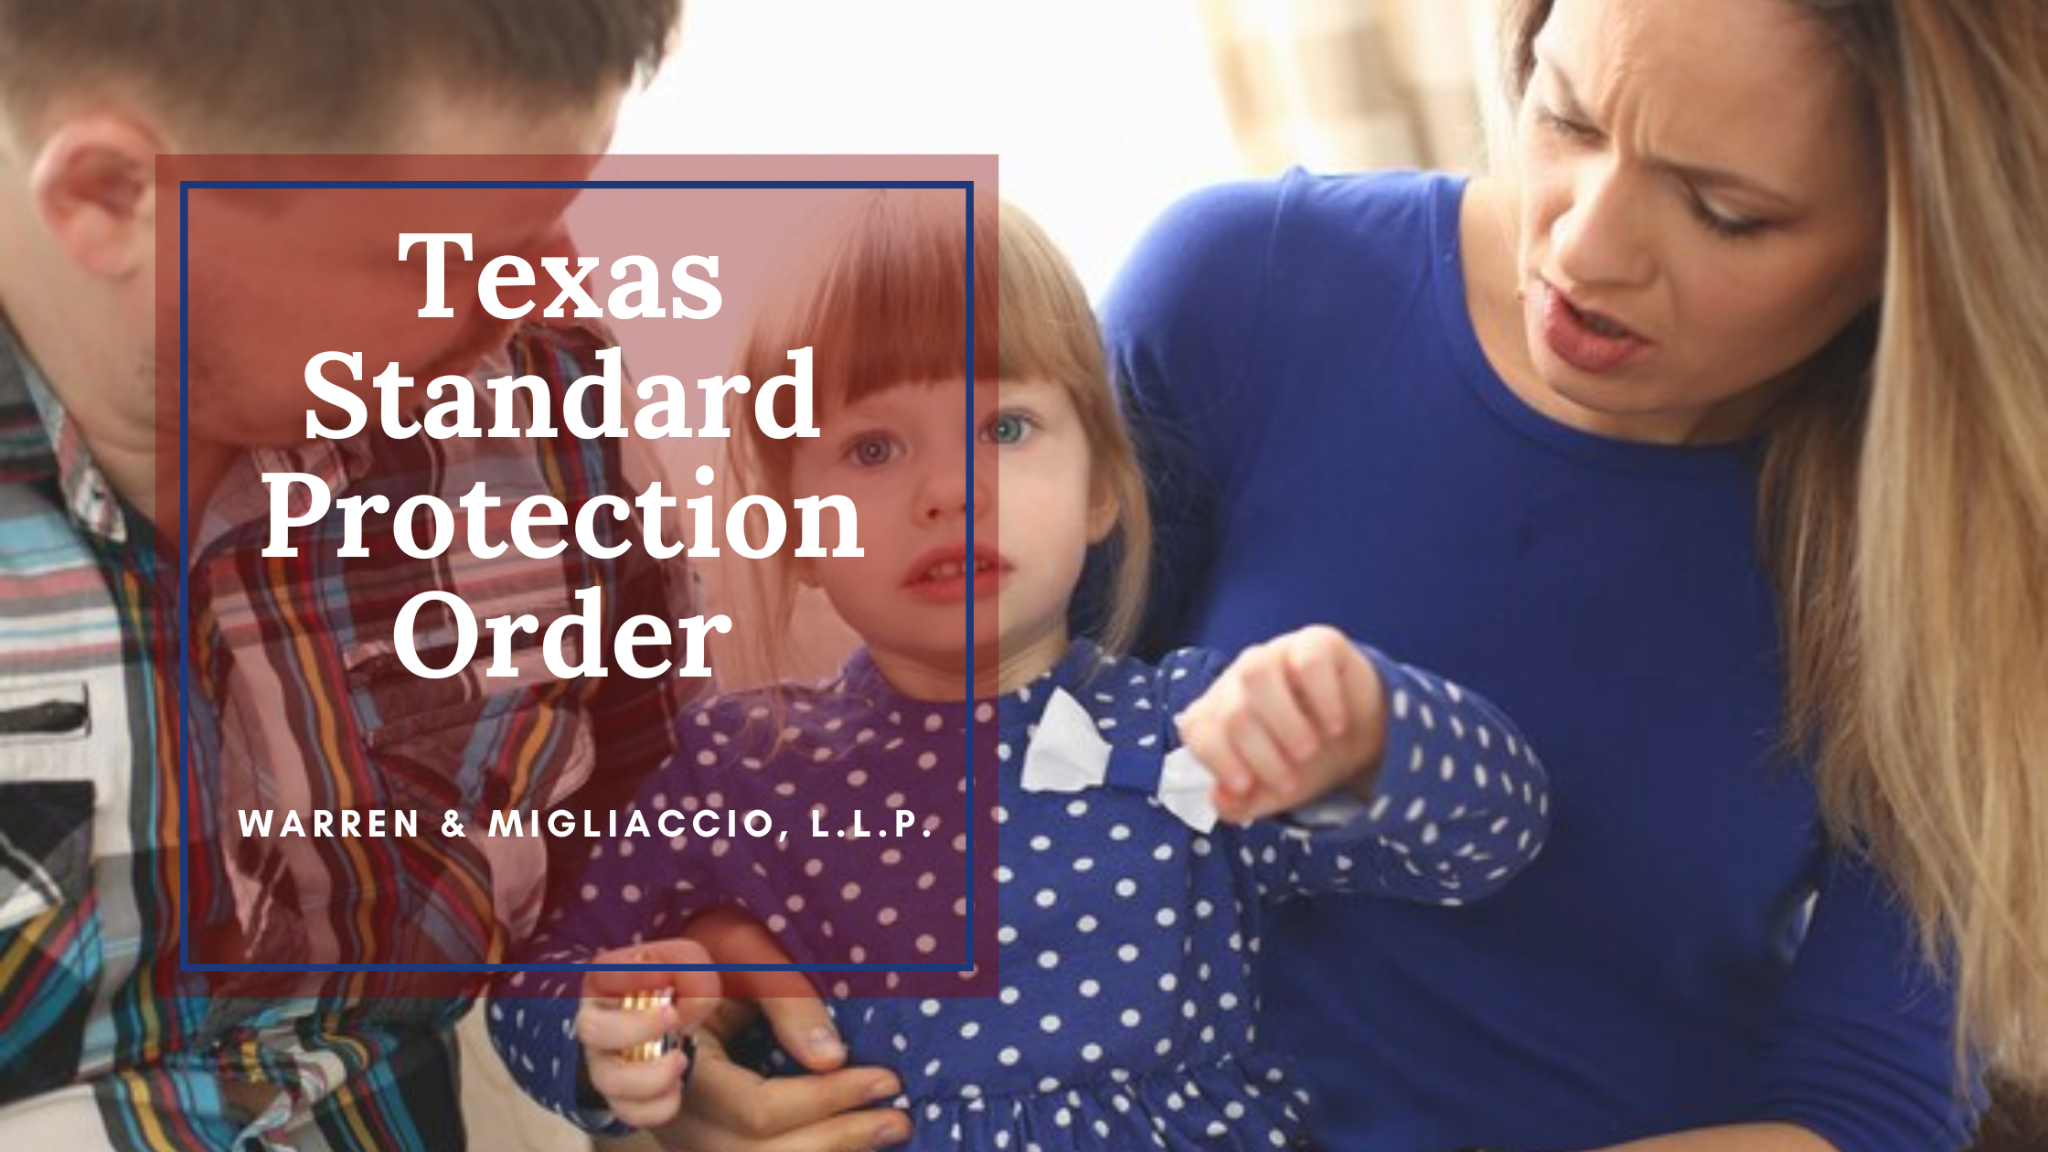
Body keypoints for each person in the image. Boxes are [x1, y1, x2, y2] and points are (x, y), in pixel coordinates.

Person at [664, 1, 2048, 1151]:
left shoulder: (1949, 547)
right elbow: (960, 744)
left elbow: (1869, 1101)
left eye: (1726, 212)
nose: (1582, 244)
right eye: (1565, 116)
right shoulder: (1252, 291)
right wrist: (726, 1018)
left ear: (1912, 246)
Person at [486, 192, 1552, 1149]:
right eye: (871, 449)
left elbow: (1489, 842)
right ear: (789, 525)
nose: (950, 491)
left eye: (1004, 427)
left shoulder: (1198, 722)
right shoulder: (735, 770)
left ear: (1101, 485)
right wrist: (615, 1027)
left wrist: (1372, 728)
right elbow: (535, 985)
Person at [0, 2, 710, 1150]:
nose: (543, 294)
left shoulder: (545, 405)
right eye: (446, 257)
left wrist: (676, 1050)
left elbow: (650, 866)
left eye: (549, 218)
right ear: (110, 198)